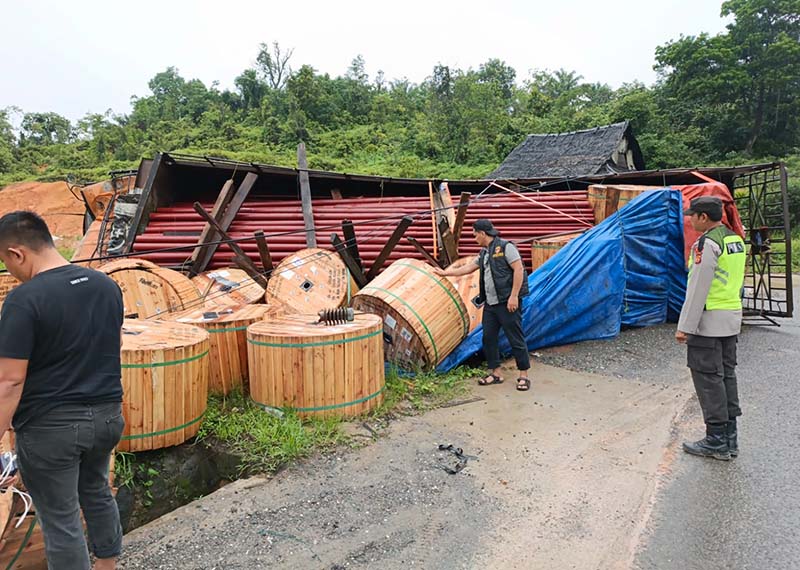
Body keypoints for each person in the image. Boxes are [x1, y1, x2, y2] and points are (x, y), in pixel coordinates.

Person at [0, 211, 125, 569]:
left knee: (61, 518)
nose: (10, 270)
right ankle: (106, 566)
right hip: (106, 417)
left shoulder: (24, 300)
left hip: (52, 430)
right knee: (98, 492)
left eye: (6, 262)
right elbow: (112, 349)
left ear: (17, 253)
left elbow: (9, 380)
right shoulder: (106, 286)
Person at [675, 196, 746, 461]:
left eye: (693, 215)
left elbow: (698, 288)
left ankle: (716, 441)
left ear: (704, 217)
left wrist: (686, 327)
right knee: (726, 376)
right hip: (730, 320)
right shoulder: (735, 240)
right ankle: (730, 439)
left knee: (708, 380)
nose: (690, 220)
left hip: (708, 324)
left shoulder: (706, 243)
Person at [435, 218, 531, 391]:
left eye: (474, 234)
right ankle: (496, 373)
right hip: (491, 304)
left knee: (515, 337)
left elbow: (519, 269)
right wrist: (445, 273)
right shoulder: (484, 253)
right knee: (488, 338)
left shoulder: (506, 247)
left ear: (482, 233)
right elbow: (468, 268)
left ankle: (523, 375)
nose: (474, 238)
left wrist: (514, 296)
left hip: (507, 302)